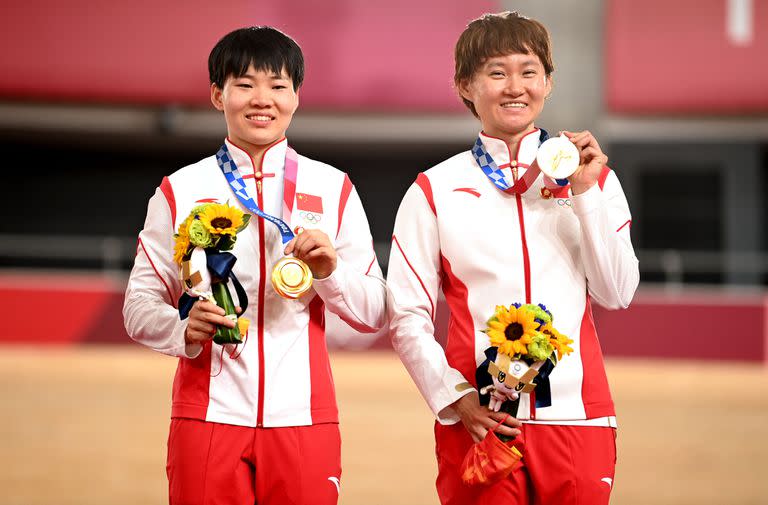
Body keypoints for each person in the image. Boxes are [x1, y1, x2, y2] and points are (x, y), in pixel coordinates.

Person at [123, 26, 386, 505]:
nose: (261, 99)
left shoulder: (334, 188)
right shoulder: (179, 190)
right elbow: (138, 306)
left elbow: (374, 312)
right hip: (206, 416)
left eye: (277, 85)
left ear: (297, 97)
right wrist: (182, 328)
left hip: (304, 418)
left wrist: (331, 274)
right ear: (216, 94)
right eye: (244, 84)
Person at [386, 11, 638, 505]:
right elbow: (407, 314)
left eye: (528, 71)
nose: (514, 87)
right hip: (482, 423)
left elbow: (617, 291)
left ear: (548, 81)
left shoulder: (592, 176)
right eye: (497, 73)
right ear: (465, 84)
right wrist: (453, 398)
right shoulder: (433, 189)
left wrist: (584, 194)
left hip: (579, 418)